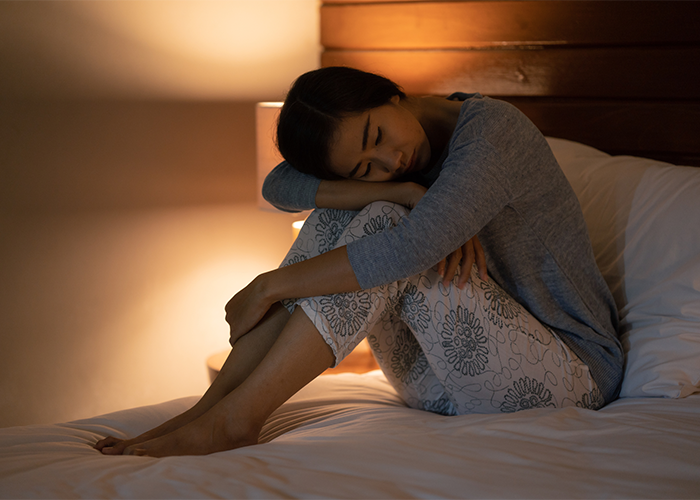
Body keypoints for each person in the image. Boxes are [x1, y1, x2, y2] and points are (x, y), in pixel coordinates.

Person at [94, 66, 622, 457]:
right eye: (363, 166)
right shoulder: (394, 174)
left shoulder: (491, 134)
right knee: (353, 212)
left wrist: (268, 286)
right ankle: (208, 413)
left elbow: (408, 250)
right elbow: (280, 185)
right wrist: (405, 191)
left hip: (566, 377)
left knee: (384, 223)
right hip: (438, 382)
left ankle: (237, 418)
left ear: (390, 92)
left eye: (376, 136)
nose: (390, 160)